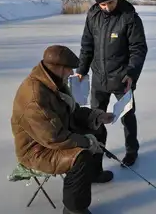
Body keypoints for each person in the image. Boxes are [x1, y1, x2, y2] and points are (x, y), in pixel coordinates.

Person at [11, 45, 115, 214]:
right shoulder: (35, 97)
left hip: (57, 133)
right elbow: (54, 138)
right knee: (81, 157)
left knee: (98, 130)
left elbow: (72, 112)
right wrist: (87, 141)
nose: (71, 73)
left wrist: (97, 116)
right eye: (69, 69)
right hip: (37, 149)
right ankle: (74, 209)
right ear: (58, 68)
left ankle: (94, 173)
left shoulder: (55, 83)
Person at [76, 0, 148, 167]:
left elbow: (138, 49)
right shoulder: (93, 16)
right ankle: (96, 153)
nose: (107, 7)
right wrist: (82, 70)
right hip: (99, 78)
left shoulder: (129, 17)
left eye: (111, 2)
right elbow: (87, 45)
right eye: (103, 4)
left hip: (122, 78)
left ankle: (132, 150)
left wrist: (131, 73)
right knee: (94, 119)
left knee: (127, 116)